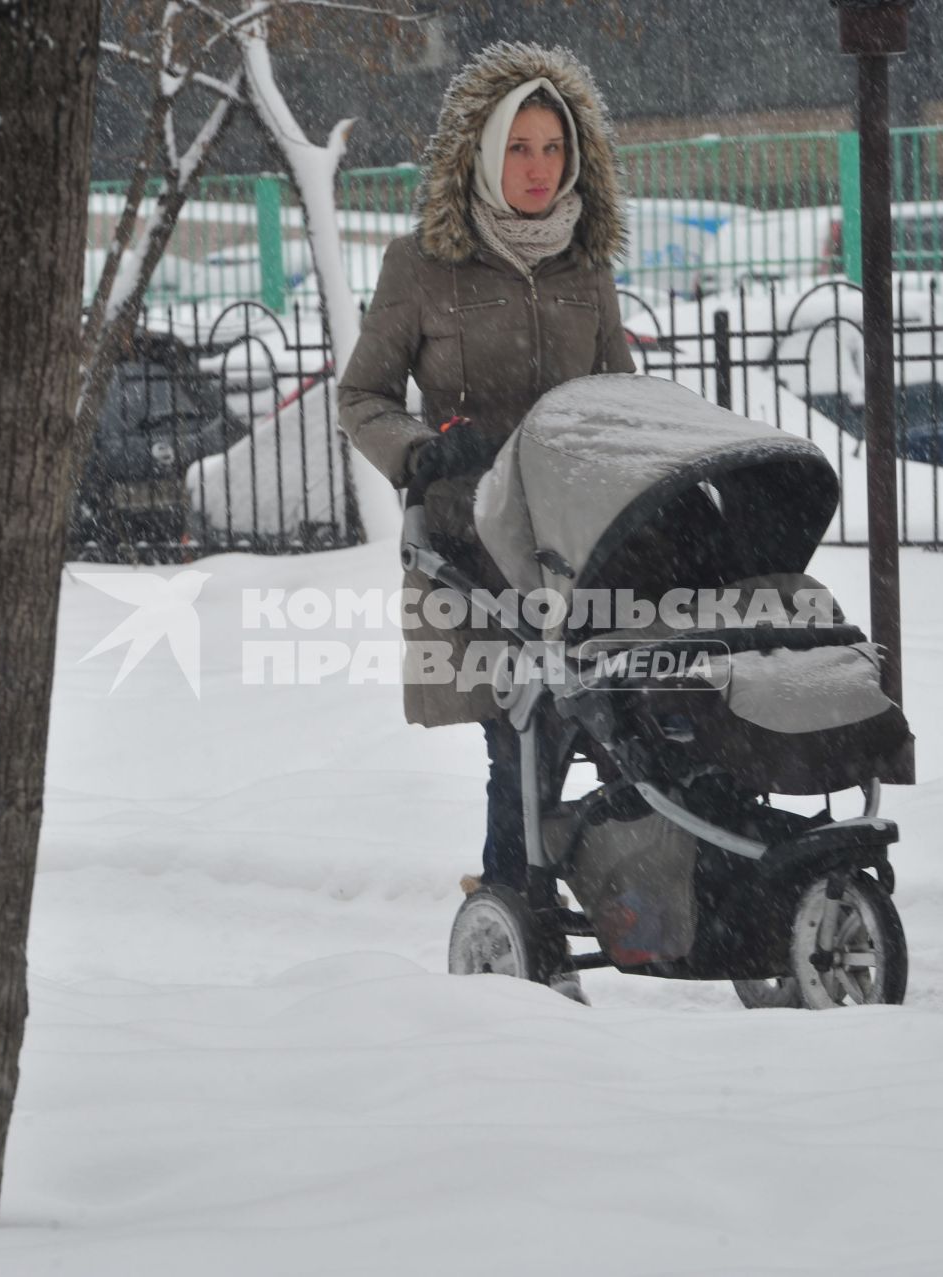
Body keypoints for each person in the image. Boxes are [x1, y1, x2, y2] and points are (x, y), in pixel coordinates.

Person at [339, 42, 635, 900]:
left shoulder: (587, 263)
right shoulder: (422, 265)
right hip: (478, 533)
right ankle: (517, 902)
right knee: (526, 721)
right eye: (518, 148)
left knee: (639, 706)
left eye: (553, 149)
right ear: (481, 150)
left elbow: (619, 391)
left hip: (586, 531)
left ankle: (653, 881)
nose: (538, 169)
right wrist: (422, 451)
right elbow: (362, 395)